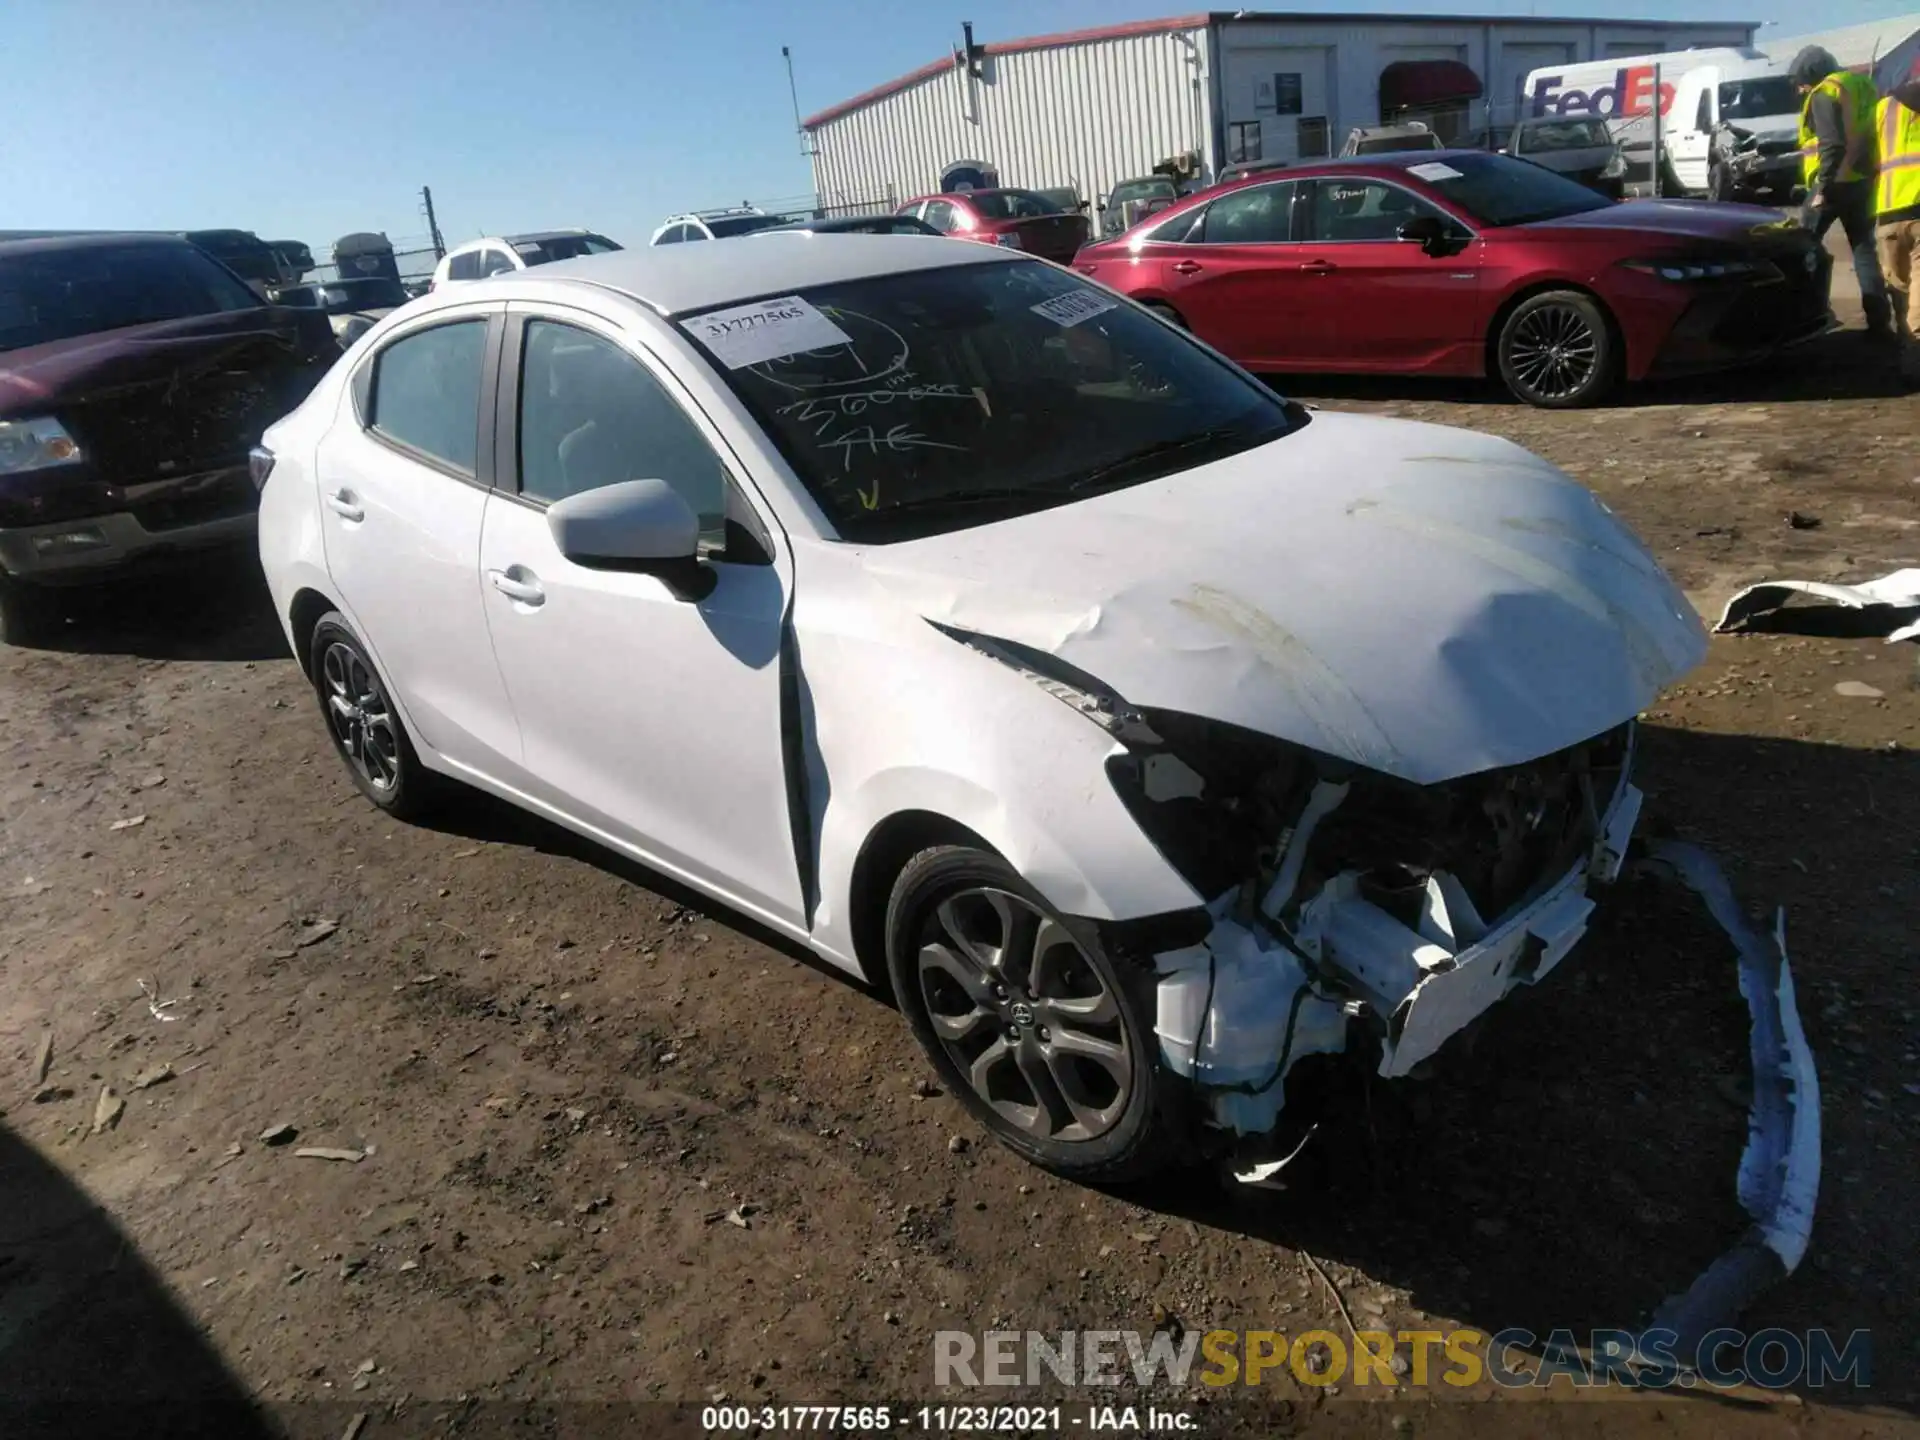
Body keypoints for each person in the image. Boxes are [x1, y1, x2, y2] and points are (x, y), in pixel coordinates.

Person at [1792, 45, 1893, 341]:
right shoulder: (1863, 85)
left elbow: (1832, 143)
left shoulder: (1826, 93)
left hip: (1832, 184)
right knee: (1863, 251)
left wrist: (1822, 187)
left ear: (1811, 73)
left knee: (1800, 248)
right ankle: (1879, 323)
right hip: (1862, 180)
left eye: (1801, 80)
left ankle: (1800, 318)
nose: (1800, 89)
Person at [1876, 59, 1920, 386]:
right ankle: (1915, 361)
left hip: (1888, 212)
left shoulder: (1883, 108)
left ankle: (1908, 356)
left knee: (1900, 289)